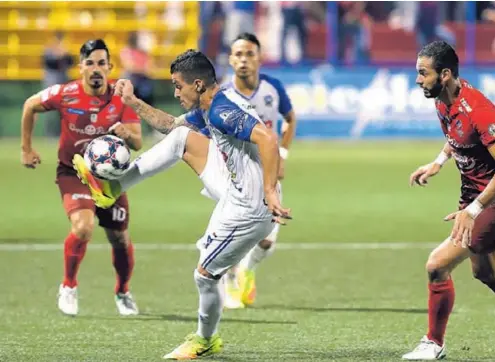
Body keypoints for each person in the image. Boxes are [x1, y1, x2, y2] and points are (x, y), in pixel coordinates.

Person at [74, 50, 291, 359]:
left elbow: (268, 139)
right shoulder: (210, 102)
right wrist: (133, 102)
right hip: (236, 183)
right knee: (180, 138)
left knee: (204, 275)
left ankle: (205, 340)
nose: (175, 92)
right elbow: (170, 125)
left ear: (198, 84)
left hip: (250, 205)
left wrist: (269, 191)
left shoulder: (222, 111)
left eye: (178, 86)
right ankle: (112, 187)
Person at [402, 41, 495, 360]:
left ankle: (434, 343)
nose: (418, 80)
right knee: (484, 271)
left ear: (444, 74)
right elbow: (454, 138)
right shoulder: (441, 100)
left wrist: (473, 210)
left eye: (422, 73)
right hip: (473, 194)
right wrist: (438, 163)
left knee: (437, 265)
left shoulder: (479, 109)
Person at [20, 39, 142, 317]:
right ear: (81, 67)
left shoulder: (121, 99)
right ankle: (68, 285)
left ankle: (123, 291)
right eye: (90, 63)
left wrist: (127, 134)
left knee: (119, 239)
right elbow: (29, 105)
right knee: (83, 226)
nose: (96, 68)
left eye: (101, 63)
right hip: (73, 173)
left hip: (109, 179)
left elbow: (137, 143)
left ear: (110, 67)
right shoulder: (66, 93)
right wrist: (26, 149)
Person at [220, 32, 297, 309]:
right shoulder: (223, 96)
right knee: (236, 234)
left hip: (269, 174)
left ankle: (247, 271)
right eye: (238, 54)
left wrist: (283, 155)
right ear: (230, 60)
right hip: (237, 178)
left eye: (249, 54)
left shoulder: (272, 88)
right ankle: (229, 279)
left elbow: (290, 119)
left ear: (259, 58)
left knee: (265, 242)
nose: (243, 60)